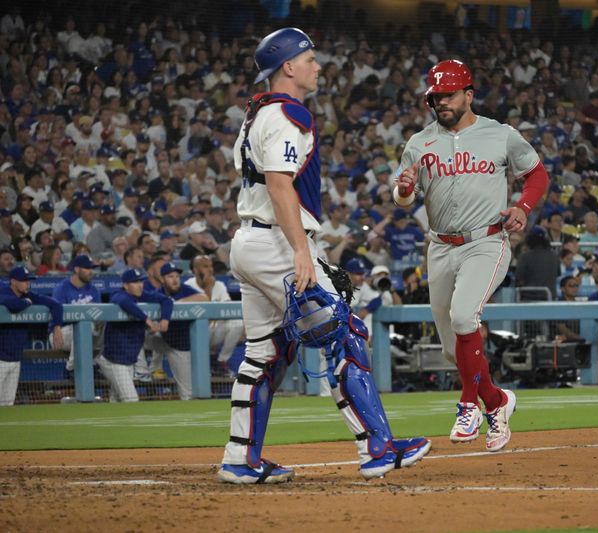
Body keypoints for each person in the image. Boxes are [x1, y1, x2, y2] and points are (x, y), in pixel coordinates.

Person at [220, 27, 429, 485]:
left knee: (264, 354)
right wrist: (300, 251)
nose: (317, 66)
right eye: (309, 59)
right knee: (343, 332)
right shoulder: (288, 114)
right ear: (288, 67)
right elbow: (279, 184)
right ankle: (377, 446)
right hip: (277, 242)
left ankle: (240, 459)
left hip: (249, 241)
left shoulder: (255, 113)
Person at [393, 59, 549, 451]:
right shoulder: (419, 142)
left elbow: (537, 174)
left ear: (469, 95)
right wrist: (405, 189)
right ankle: (496, 401)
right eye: (435, 96)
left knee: (465, 316)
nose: (440, 101)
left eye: (448, 94)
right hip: (441, 247)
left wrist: (523, 208)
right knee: (453, 348)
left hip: (487, 241)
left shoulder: (500, 134)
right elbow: (401, 198)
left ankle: (468, 404)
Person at [99, 268, 173, 402]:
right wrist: (146, 319)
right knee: (131, 399)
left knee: (116, 400)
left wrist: (165, 319)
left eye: (141, 282)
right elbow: (124, 302)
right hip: (113, 361)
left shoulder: (142, 295)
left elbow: (167, 301)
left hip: (127, 361)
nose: (140, 285)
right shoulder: (119, 294)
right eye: (135, 282)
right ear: (126, 285)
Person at [0, 266, 64, 406]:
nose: (27, 284)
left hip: (15, 360)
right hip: (0, 360)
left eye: (28, 281)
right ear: (13, 281)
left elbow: (56, 305)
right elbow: (12, 305)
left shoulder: (27, 295)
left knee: (7, 405)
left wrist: (57, 326)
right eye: (23, 281)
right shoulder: (4, 291)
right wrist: (27, 302)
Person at [156, 262, 209, 399]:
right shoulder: (157, 293)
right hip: (165, 340)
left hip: (185, 344)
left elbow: (204, 298)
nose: (175, 280)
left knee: (189, 390)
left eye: (177, 276)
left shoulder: (185, 289)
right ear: (162, 279)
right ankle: (146, 369)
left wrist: (176, 303)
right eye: (170, 276)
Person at [186, 254, 244, 375]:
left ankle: (221, 361)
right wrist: (208, 288)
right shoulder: (188, 285)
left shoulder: (219, 286)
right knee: (205, 325)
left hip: (214, 331)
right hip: (194, 335)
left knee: (238, 323)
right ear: (195, 270)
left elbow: (229, 310)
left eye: (210, 266)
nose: (210, 269)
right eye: (205, 266)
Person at [51, 255, 102, 374]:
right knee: (84, 326)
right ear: (76, 269)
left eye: (92, 268)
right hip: (60, 334)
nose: (91, 272)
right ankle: (71, 368)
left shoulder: (94, 290)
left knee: (107, 330)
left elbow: (99, 315)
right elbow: (57, 314)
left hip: (88, 333)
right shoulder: (62, 289)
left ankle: (96, 363)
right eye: (87, 268)